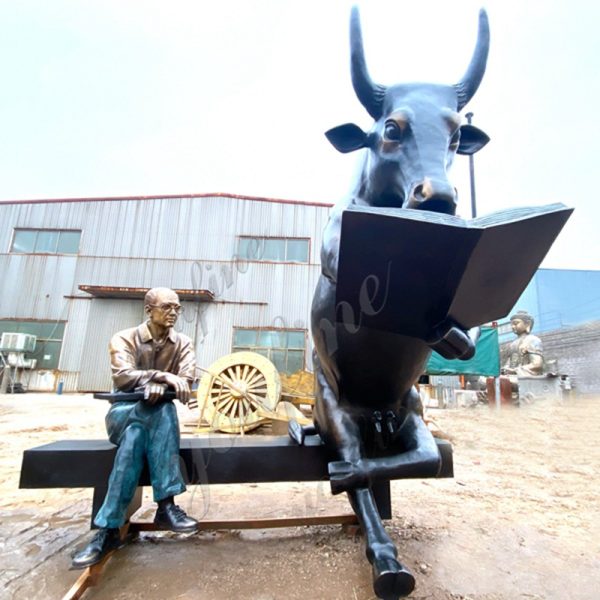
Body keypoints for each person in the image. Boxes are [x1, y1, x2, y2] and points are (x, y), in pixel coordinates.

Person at [72, 287, 198, 569]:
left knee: (135, 438)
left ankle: (106, 531)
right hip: (122, 414)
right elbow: (122, 376)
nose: (173, 313)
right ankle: (166, 504)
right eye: (167, 307)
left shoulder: (183, 343)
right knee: (159, 412)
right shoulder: (124, 338)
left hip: (143, 428)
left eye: (177, 308)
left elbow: (187, 378)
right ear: (148, 309)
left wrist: (161, 385)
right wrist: (159, 377)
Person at [501, 310, 544, 376]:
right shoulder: (512, 343)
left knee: (502, 382)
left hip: (525, 375)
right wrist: (506, 368)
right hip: (513, 375)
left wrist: (516, 370)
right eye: (511, 324)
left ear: (527, 324)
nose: (512, 327)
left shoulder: (532, 339)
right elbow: (509, 362)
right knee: (486, 380)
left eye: (516, 323)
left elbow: (537, 364)